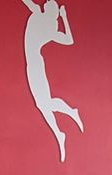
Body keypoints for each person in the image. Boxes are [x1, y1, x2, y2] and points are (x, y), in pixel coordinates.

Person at [21, 0, 82, 162]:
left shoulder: (39, 18)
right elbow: (68, 39)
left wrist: (64, 17)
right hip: (33, 64)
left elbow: (69, 40)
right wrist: (64, 17)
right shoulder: (47, 25)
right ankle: (60, 131)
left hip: (35, 65)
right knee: (42, 104)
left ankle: (69, 114)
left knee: (43, 104)